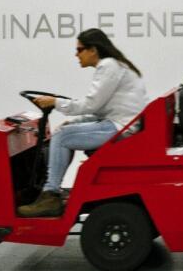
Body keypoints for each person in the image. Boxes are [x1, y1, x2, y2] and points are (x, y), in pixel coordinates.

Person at [17, 28, 148, 218]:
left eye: (79, 50)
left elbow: (91, 104)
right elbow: (98, 109)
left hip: (121, 127)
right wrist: (73, 121)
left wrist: (55, 102)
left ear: (93, 50)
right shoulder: (115, 65)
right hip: (122, 123)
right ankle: (50, 191)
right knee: (65, 131)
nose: (76, 54)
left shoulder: (108, 66)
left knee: (61, 137)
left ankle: (50, 194)